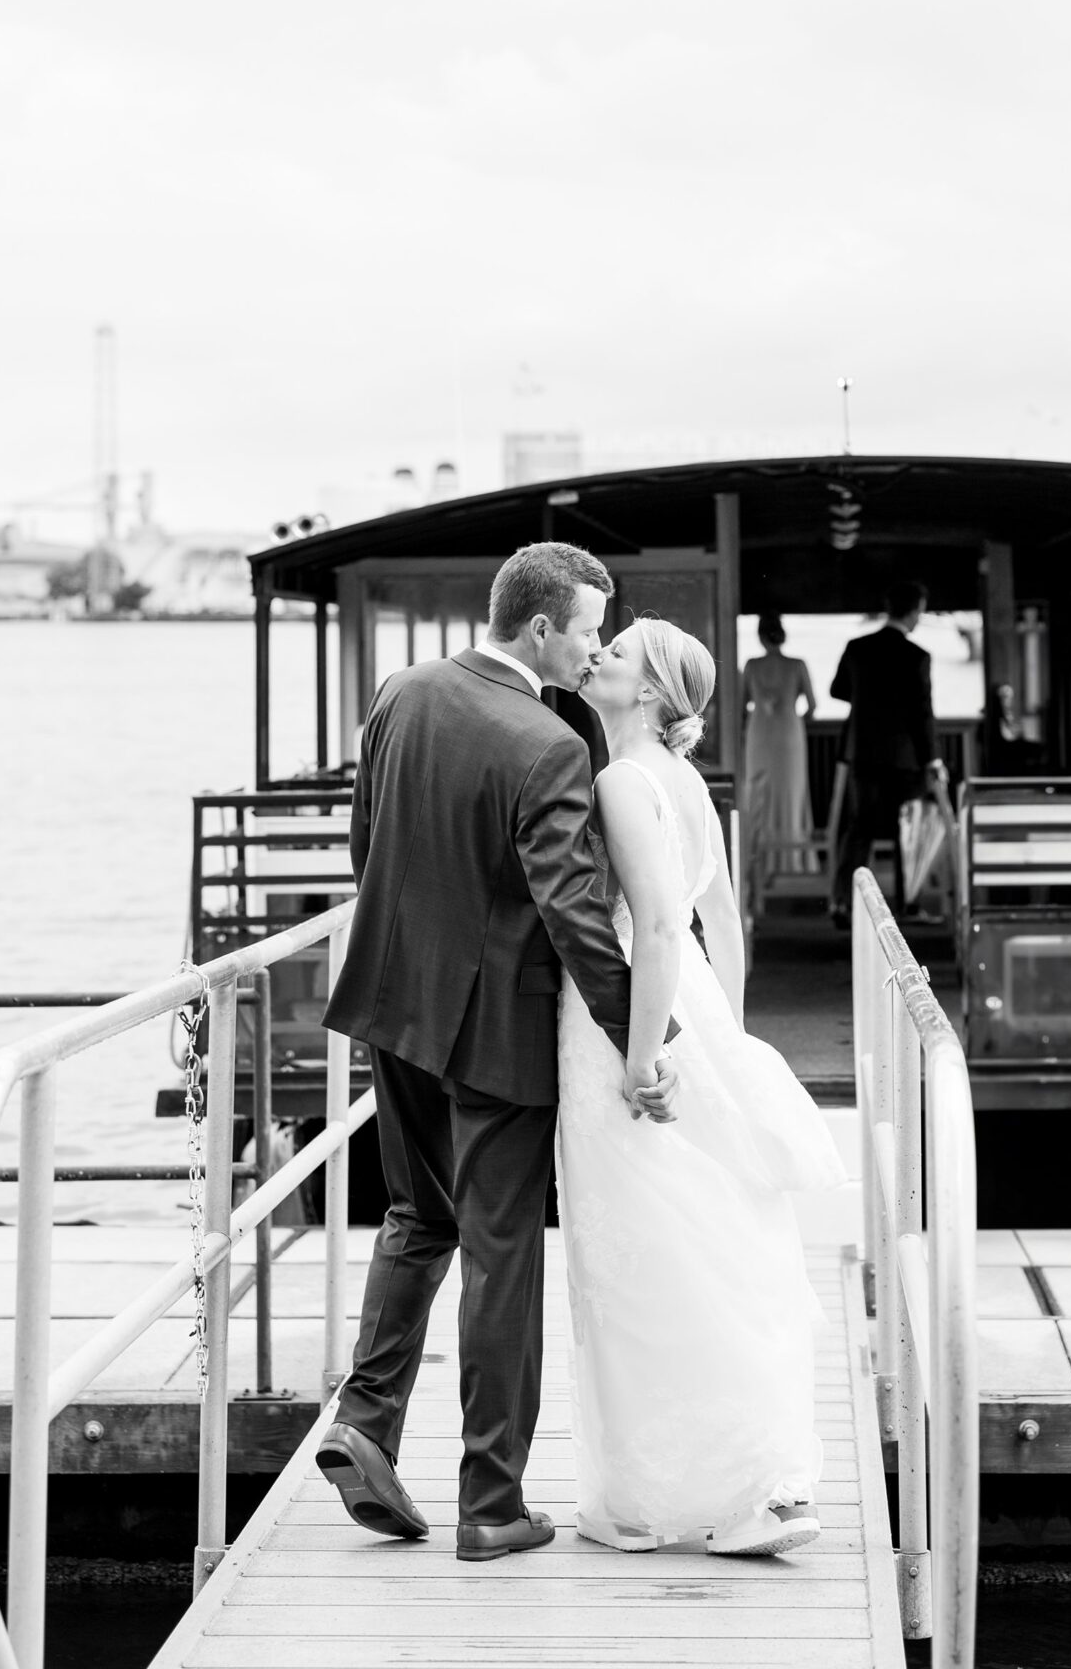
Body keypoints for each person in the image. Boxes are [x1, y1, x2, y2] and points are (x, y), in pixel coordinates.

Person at [317, 542, 677, 1564]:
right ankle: (491, 1502)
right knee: (501, 1255)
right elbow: (571, 914)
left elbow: (367, 842)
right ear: (537, 629)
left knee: (413, 1214)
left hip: (392, 1001)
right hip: (496, 1032)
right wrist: (641, 1042)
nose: (592, 647)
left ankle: (364, 1419)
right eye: (585, 629)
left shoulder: (402, 693)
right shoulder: (548, 742)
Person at [558, 615, 845, 1556]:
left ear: (646, 693)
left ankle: (682, 1491)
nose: (596, 654)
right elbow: (723, 919)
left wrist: (643, 1056)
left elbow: (656, 927)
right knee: (711, 1232)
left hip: (636, 1018)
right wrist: (731, 1033)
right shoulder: (690, 782)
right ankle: (738, 1483)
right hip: (701, 1010)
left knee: (644, 1242)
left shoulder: (620, 779)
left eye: (618, 652)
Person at [827, 579, 945, 927]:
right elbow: (923, 712)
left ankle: (844, 905)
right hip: (905, 756)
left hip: (862, 751)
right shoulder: (917, 656)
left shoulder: (858, 647)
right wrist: (933, 759)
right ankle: (908, 905)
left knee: (858, 829)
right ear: (913, 611)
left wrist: (868, 701)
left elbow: (838, 690)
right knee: (907, 831)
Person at [739, 614, 816, 865]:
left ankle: (760, 861)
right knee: (792, 792)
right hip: (789, 734)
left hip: (759, 733)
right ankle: (794, 859)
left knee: (759, 790)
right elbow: (812, 707)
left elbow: (740, 707)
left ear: (760, 636)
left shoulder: (751, 665)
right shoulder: (797, 665)